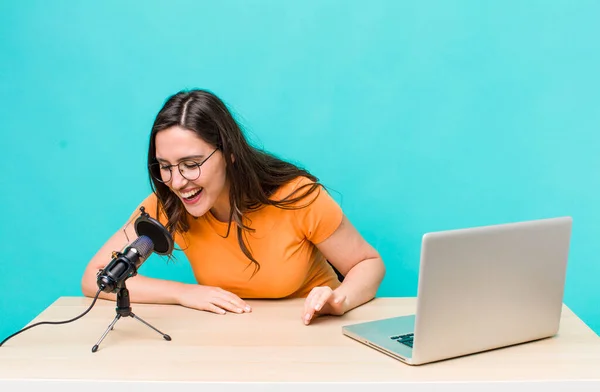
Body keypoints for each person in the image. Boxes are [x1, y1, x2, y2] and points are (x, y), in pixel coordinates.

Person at [81, 89, 385, 325]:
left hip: (312, 331)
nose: (177, 181)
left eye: (190, 164)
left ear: (229, 153)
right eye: (165, 167)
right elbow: (95, 277)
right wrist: (184, 293)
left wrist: (338, 300)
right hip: (238, 337)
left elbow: (369, 264)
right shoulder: (168, 206)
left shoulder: (296, 197)